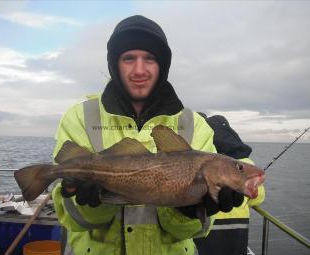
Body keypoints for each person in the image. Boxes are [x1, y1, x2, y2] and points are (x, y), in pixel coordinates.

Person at [52, 15, 248, 255]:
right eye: (128, 58)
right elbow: (73, 219)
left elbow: (194, 232)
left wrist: (191, 211)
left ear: (163, 64)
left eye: (150, 58)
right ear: (115, 63)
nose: (139, 70)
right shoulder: (80, 116)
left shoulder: (194, 125)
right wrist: (92, 202)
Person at [194, 114, 265, 255]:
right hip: (236, 236)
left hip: (205, 231)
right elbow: (258, 197)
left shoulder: (206, 159)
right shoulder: (246, 163)